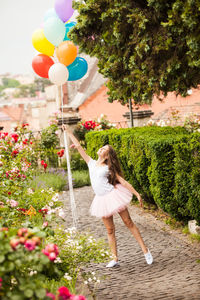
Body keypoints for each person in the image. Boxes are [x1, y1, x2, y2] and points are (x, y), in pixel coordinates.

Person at [62, 125, 153, 267]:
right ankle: (114, 258)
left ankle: (145, 250)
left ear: (107, 155)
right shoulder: (91, 163)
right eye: (102, 147)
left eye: (104, 149)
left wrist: (137, 194)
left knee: (128, 222)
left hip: (113, 195)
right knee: (110, 230)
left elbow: (122, 181)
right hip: (101, 200)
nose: (101, 148)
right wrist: (68, 132)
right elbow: (79, 146)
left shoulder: (108, 168)